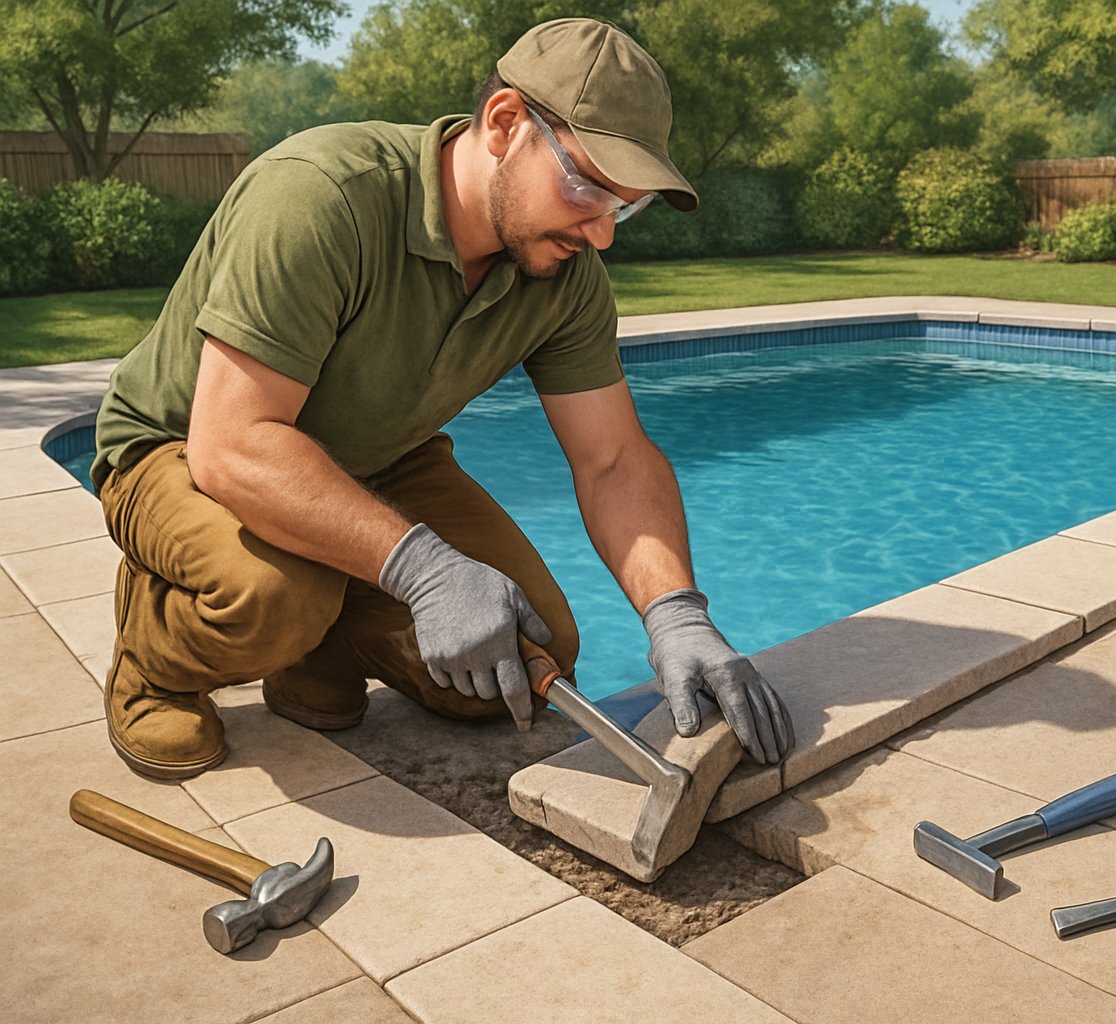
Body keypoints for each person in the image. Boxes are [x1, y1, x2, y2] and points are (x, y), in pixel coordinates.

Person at [89, 17, 794, 781]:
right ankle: (153, 662)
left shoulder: (564, 276)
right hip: (181, 449)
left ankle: (325, 646)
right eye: (588, 187)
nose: (602, 234)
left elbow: (614, 458)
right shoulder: (323, 195)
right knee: (276, 596)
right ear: (505, 123)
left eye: (625, 206)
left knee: (532, 653)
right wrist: (424, 570)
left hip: (380, 460)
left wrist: (677, 614)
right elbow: (232, 444)